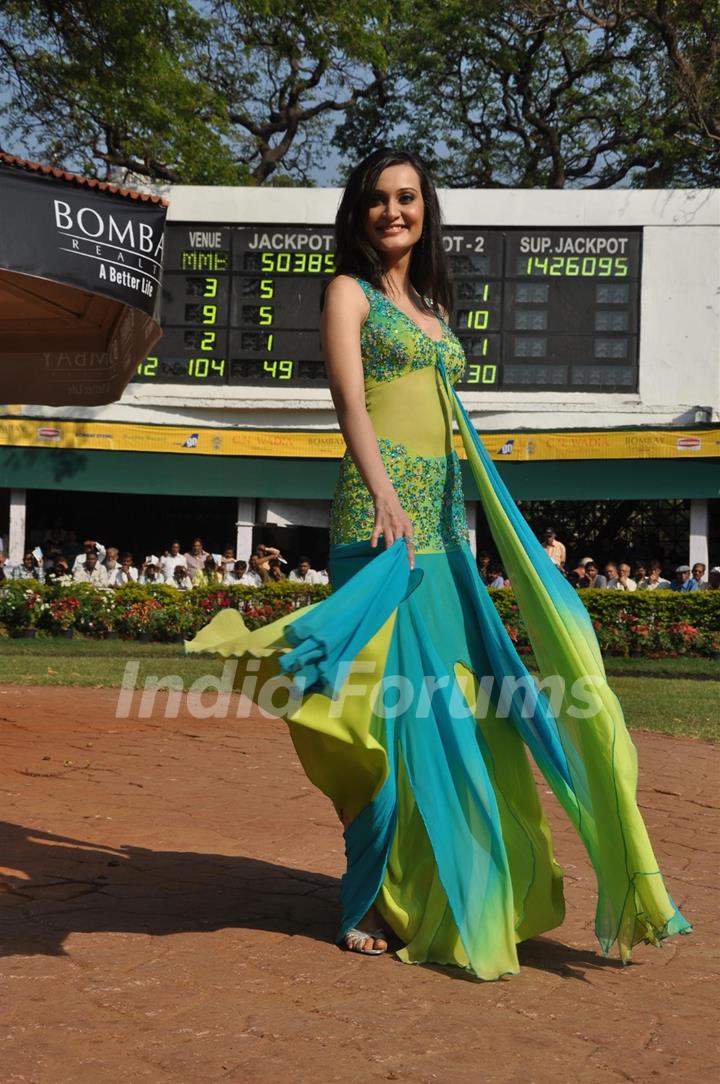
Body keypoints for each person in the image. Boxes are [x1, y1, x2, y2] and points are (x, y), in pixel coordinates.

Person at [186, 147, 689, 978]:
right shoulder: (346, 293)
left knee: (461, 713)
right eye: (380, 199)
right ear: (360, 210)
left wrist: (472, 530)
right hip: (378, 522)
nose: (394, 211)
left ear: (427, 210)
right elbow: (351, 399)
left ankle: (466, 883)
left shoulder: (430, 304)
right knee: (377, 717)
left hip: (444, 533)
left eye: (408, 197)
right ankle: (367, 899)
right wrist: (385, 495)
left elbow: (448, 423)